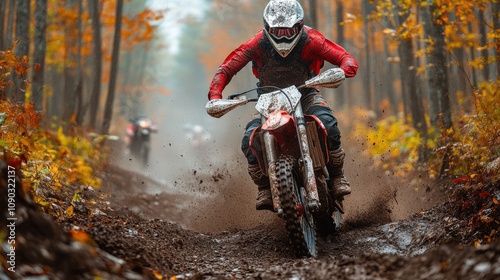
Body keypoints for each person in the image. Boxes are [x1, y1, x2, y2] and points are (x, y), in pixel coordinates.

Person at [207, 0, 359, 211]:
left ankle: (337, 175)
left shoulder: (311, 40)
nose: (283, 36)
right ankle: (264, 187)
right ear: (267, 28)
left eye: (289, 31)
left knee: (328, 123)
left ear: (299, 26)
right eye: (278, 31)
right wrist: (215, 96)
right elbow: (225, 69)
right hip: (269, 100)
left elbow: (346, 58)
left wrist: (343, 70)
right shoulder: (257, 43)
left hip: (306, 94)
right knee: (249, 139)